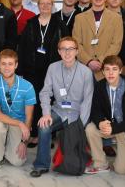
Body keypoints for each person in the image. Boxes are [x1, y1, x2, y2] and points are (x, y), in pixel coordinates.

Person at [30, 37, 94, 177]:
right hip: (58, 111)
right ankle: (42, 165)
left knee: (76, 133)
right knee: (44, 126)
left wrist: (80, 126)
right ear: (59, 51)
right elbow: (45, 92)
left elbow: (87, 101)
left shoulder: (86, 72)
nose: (67, 53)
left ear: (77, 51)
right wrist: (46, 114)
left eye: (71, 49)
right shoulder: (53, 68)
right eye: (63, 49)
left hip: (77, 115)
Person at [17, 0, 67, 147]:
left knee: (51, 101)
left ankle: (47, 134)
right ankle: (33, 133)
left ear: (52, 5)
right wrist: (21, 69)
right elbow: (23, 47)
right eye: (42, 3)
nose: (45, 6)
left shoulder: (60, 24)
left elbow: (66, 47)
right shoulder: (31, 23)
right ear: (38, 5)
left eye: (48, 4)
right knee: (35, 101)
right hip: (32, 70)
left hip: (53, 70)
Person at [85, 55, 125, 175]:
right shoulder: (99, 86)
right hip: (108, 125)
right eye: (107, 69)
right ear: (103, 71)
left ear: (121, 71)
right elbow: (95, 109)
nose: (111, 73)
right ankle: (100, 164)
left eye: (114, 69)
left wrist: (115, 128)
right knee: (90, 129)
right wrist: (100, 122)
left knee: (122, 170)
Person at [0, 49, 36, 169]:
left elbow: (29, 116)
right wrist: (20, 123)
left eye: (10, 64)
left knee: (17, 162)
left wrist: (23, 142)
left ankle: (9, 143)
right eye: (3, 64)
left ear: (16, 65)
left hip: (18, 124)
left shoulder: (27, 86)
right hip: (3, 120)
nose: (7, 67)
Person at [73, 0, 123, 80]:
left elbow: (116, 44)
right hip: (84, 68)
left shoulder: (116, 18)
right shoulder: (79, 18)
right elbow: (76, 43)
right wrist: (89, 61)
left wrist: (101, 61)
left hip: (106, 69)